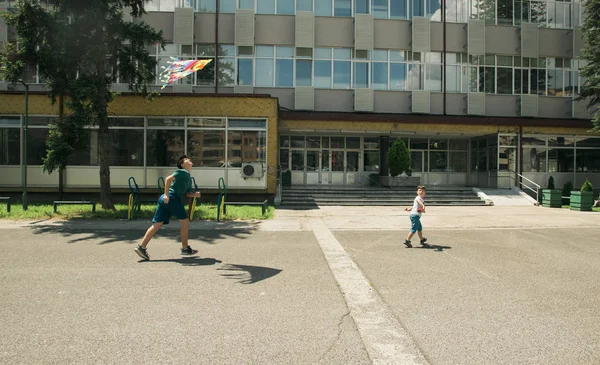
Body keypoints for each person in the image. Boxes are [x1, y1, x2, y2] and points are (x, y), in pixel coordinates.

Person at [134, 155, 201, 261]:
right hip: (171, 198)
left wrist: (195, 195)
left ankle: (141, 247)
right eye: (187, 160)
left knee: (157, 224)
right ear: (183, 164)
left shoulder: (188, 178)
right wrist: (166, 194)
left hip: (165, 200)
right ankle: (184, 248)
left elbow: (187, 193)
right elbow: (168, 179)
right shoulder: (182, 172)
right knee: (185, 222)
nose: (190, 160)